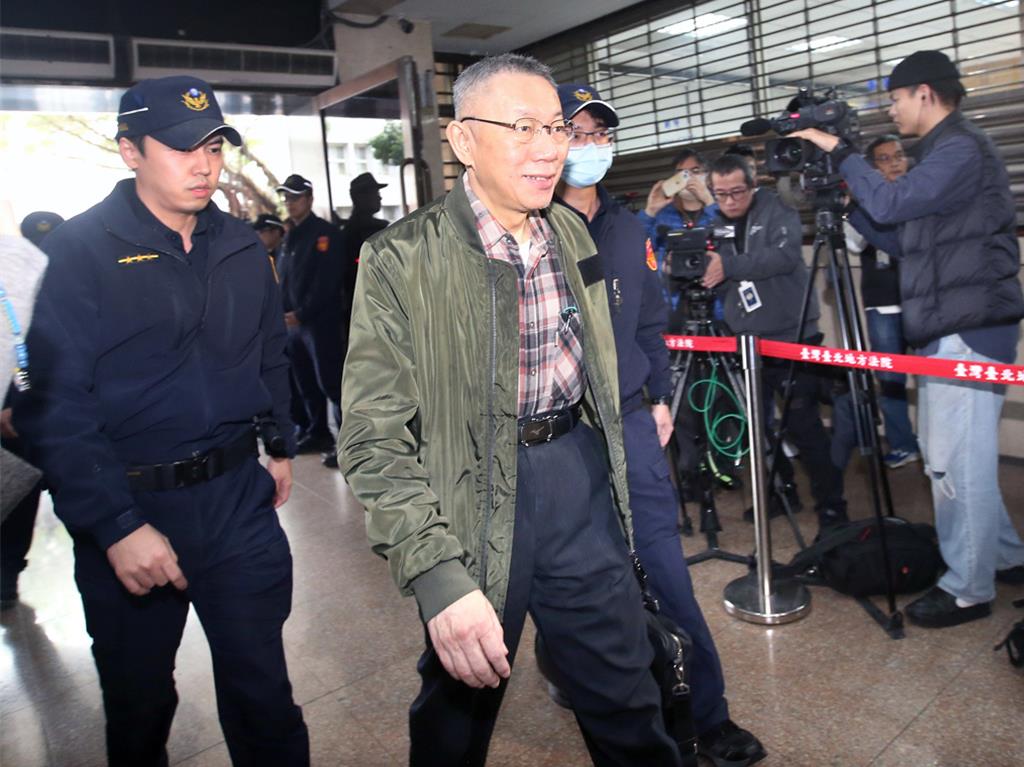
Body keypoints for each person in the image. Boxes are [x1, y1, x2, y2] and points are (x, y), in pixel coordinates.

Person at [338, 53, 682, 767]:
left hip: (575, 475)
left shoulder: (571, 233)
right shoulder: (402, 258)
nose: (551, 148)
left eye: (556, 128)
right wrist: (437, 574)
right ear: (464, 140)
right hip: (470, 488)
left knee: (624, 688)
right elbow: (373, 438)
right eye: (523, 127)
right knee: (459, 702)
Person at [16, 75, 309, 765]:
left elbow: (268, 351)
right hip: (133, 500)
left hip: (236, 500)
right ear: (131, 151)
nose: (204, 165)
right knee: (140, 702)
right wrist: (116, 525)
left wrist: (280, 442)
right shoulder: (83, 250)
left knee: (264, 693)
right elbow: (54, 404)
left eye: (214, 147)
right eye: (181, 148)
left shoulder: (240, 244)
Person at [554, 81, 766, 767]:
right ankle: (571, 672)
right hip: (557, 437)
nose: (591, 146)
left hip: (631, 423)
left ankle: (707, 715)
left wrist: (659, 395)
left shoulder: (627, 228)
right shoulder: (528, 225)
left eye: (600, 134)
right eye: (577, 132)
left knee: (667, 571)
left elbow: (649, 321)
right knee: (574, 581)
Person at [794, 50, 1024, 628]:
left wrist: (841, 153)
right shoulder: (943, 154)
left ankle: (968, 590)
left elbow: (894, 201)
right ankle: (1004, 558)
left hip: (967, 327)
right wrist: (850, 205)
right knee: (961, 457)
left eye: (895, 98)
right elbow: (904, 241)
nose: (891, 110)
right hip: (955, 324)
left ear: (925, 93)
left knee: (952, 463)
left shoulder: (959, 148)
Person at [702, 154, 848, 534]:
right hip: (745, 340)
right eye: (721, 194)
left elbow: (783, 257)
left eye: (737, 191)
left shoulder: (779, 208)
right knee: (758, 428)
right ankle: (783, 493)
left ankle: (833, 508)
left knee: (804, 427)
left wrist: (729, 267)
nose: (730, 201)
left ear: (753, 185)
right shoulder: (715, 222)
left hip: (791, 336)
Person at [830, 135, 920, 471]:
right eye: (885, 158)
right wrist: (861, 202)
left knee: (935, 377)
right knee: (891, 381)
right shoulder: (866, 200)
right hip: (882, 304)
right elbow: (854, 244)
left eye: (899, 155)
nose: (895, 163)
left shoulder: (920, 194)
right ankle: (903, 444)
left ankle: (934, 443)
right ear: (870, 166)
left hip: (922, 303)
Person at [276, 173, 344, 463]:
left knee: (332, 383)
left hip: (319, 323)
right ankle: (318, 433)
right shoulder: (290, 236)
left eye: (295, 197)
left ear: (309, 199)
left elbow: (326, 282)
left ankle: (350, 445)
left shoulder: (325, 233)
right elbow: (285, 279)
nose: (290, 203)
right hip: (293, 325)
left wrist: (302, 313)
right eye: (286, 198)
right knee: (305, 382)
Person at [0, 227, 50, 610]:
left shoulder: (20, 269)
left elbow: (24, 351)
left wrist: (17, 399)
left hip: (13, 411)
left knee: (18, 494)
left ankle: (6, 573)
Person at [340, 171, 389, 316]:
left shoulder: (347, 231)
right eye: (375, 193)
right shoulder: (369, 231)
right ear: (361, 197)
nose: (379, 197)